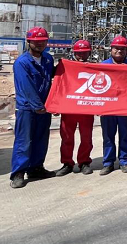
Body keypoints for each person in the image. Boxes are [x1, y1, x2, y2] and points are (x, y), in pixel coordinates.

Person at [10, 26, 56, 189]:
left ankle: (36, 168)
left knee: (41, 139)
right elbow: (26, 87)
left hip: (44, 107)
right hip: (27, 108)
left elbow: (55, 79)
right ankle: (18, 173)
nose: (40, 44)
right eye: (36, 41)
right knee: (24, 141)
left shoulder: (48, 59)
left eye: (43, 41)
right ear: (29, 41)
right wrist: (37, 106)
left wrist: (55, 103)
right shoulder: (22, 62)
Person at [56, 40, 95, 177]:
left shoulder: (94, 68)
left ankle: (84, 162)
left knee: (86, 138)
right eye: (79, 53)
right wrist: (56, 104)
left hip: (86, 108)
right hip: (69, 109)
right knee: (66, 137)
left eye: (84, 53)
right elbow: (57, 86)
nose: (81, 56)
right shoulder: (65, 67)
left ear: (89, 53)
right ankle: (67, 163)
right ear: (74, 53)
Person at [100, 36, 127, 175]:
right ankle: (108, 163)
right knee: (108, 136)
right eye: (116, 48)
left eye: (122, 49)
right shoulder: (103, 66)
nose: (119, 51)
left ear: (126, 50)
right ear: (111, 49)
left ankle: (124, 161)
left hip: (126, 107)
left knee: (126, 135)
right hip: (108, 107)